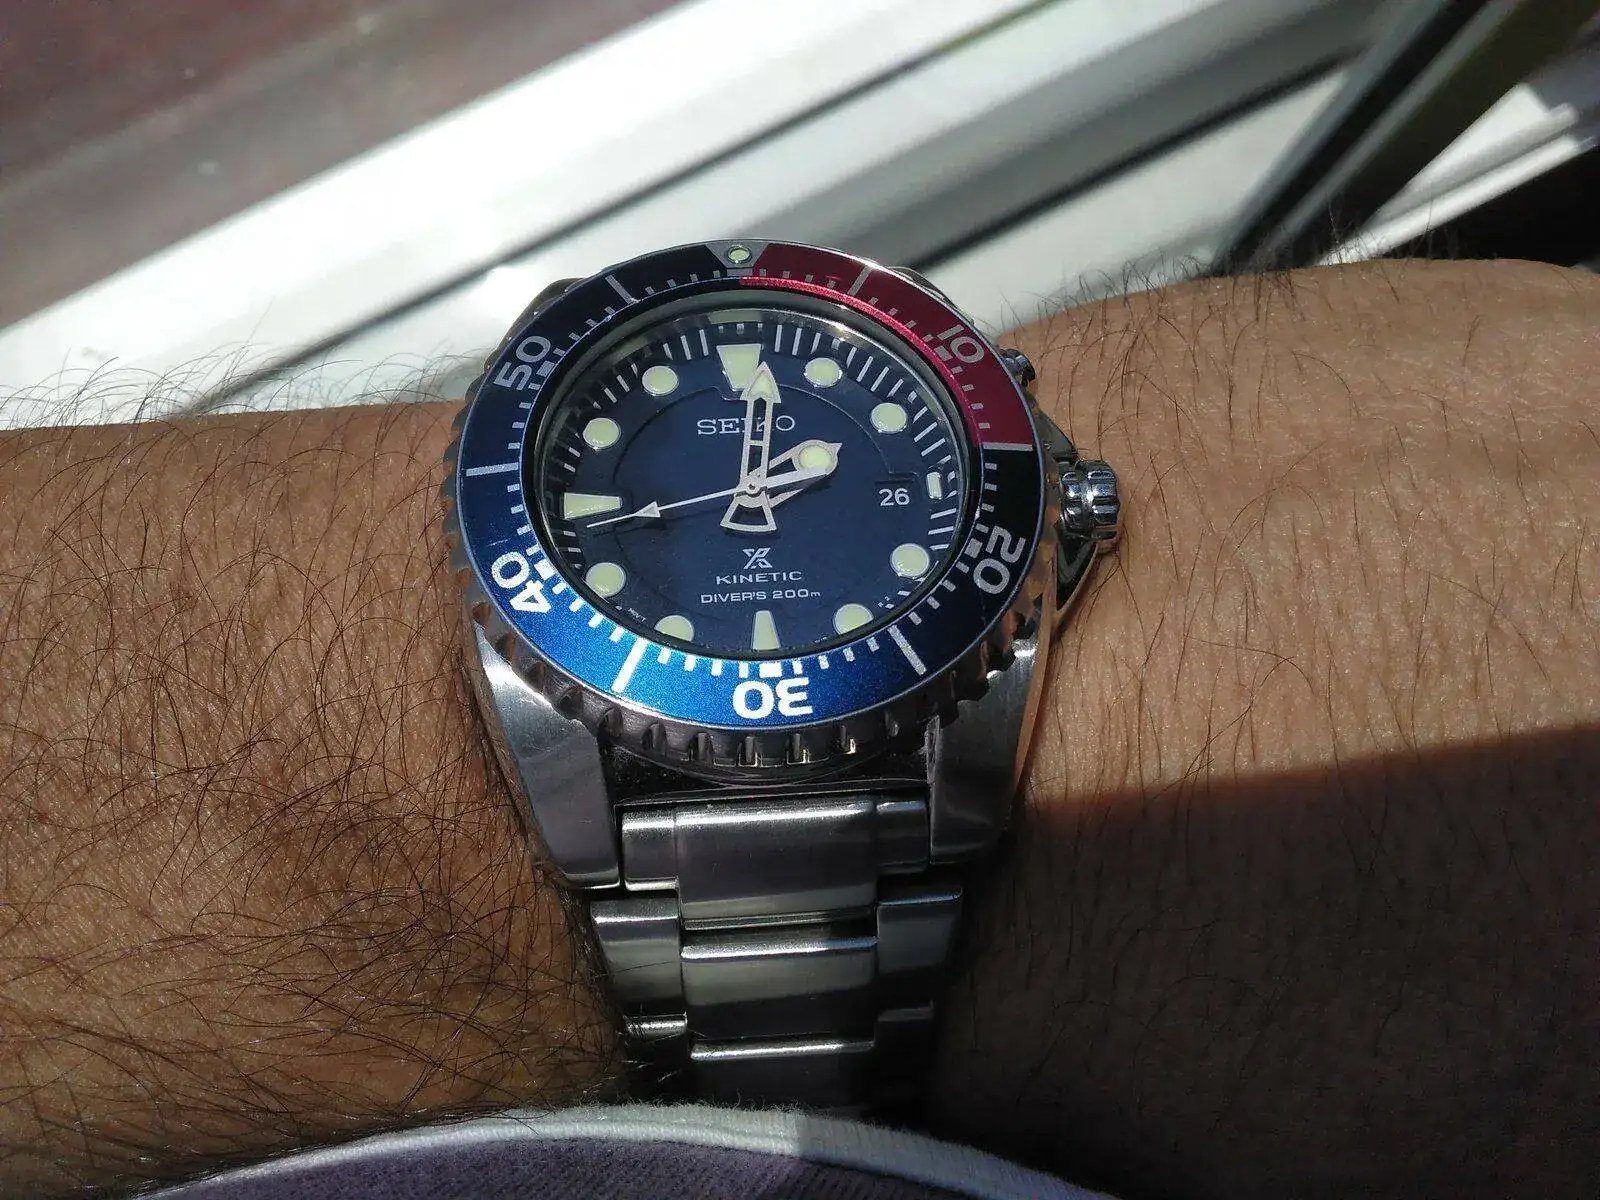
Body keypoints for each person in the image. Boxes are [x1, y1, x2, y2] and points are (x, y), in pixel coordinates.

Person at [0, 259, 1594, 1200]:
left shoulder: (1010, 550)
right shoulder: (535, 595)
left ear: (1072, 513)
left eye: (774, 476)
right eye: (742, 484)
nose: (756, 497)